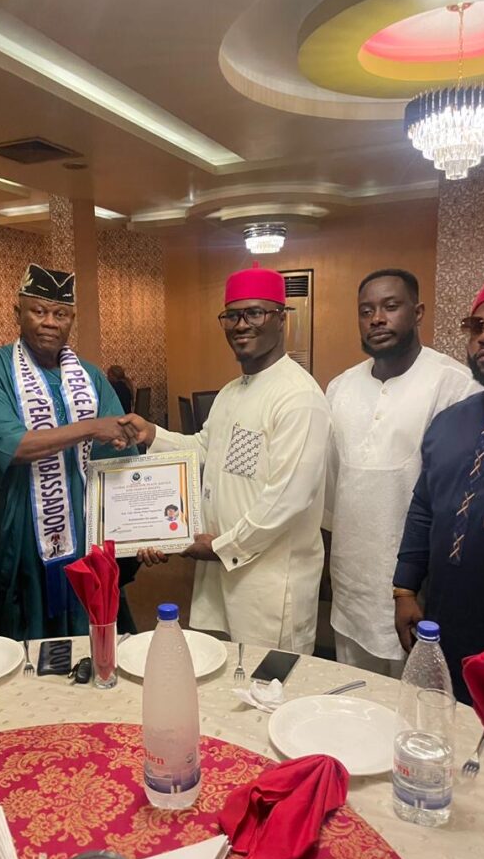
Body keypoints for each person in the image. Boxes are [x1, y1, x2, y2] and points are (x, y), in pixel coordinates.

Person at [120, 263, 331, 654]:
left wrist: (220, 547)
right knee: (221, 671)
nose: (241, 325)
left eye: (255, 313)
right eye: (232, 316)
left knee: (266, 682)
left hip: (268, 584)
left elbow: (287, 499)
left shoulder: (298, 397)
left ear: (281, 319)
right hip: (220, 575)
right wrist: (152, 434)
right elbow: (205, 449)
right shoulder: (231, 392)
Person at [0, 264, 137, 639]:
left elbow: (122, 458)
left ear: (71, 319)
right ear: (17, 313)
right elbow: (11, 445)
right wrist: (92, 427)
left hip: (88, 537)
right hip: (22, 535)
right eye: (38, 311)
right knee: (28, 639)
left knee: (93, 636)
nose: (49, 323)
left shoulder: (90, 377)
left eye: (60, 314)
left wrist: (145, 529)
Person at [325, 269, 478, 677]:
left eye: (390, 307)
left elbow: (454, 502)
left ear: (418, 312)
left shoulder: (455, 386)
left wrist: (416, 585)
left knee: (413, 701)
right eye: (366, 311)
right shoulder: (340, 388)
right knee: (353, 692)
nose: (377, 319)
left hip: (415, 591)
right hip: (350, 584)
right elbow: (334, 488)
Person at [394, 273, 484, 703]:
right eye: (476, 326)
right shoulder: (449, 422)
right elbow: (423, 508)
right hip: (446, 625)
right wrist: (405, 589)